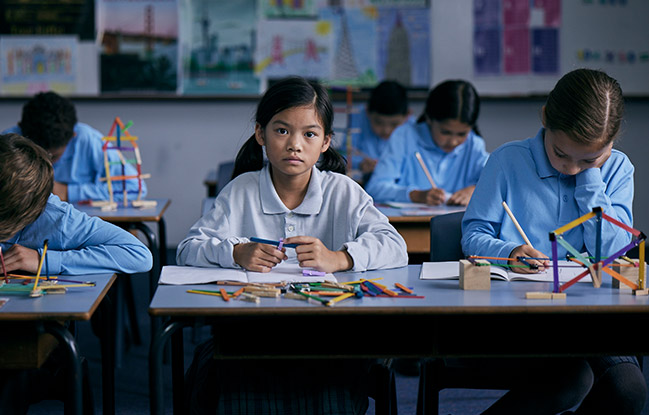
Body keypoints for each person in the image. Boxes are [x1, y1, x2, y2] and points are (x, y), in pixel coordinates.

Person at [177, 76, 408, 414]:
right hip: (251, 337)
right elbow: (188, 249)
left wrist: (340, 257)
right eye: (282, 131)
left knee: (333, 389)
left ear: (326, 142)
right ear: (261, 134)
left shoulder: (343, 191)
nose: (294, 144)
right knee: (226, 378)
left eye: (309, 134)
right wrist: (234, 252)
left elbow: (394, 245)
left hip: (328, 339)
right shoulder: (241, 191)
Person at [461, 68, 646, 414]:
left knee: (629, 389)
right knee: (569, 378)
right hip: (516, 317)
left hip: (588, 319)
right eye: (561, 154)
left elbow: (613, 252)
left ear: (612, 141)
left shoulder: (618, 170)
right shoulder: (506, 161)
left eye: (589, 159)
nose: (572, 169)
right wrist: (509, 252)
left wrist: (592, 180)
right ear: (545, 118)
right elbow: (473, 237)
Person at [0, 133, 152, 281]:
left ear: (35, 211)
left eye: (2, 233)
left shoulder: (53, 216)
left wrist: (43, 261)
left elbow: (138, 254)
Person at [2, 91, 147, 203]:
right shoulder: (8, 142)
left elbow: (135, 188)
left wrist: (68, 192)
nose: (47, 164)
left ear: (73, 136)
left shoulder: (88, 140)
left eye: (54, 157)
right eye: (38, 157)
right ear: (21, 132)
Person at [366, 79, 488, 206]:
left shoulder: (474, 144)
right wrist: (416, 195)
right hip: (410, 224)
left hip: (458, 223)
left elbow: (501, 183)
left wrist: (474, 190)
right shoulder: (404, 137)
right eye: (445, 132)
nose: (453, 141)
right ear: (429, 119)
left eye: (462, 134)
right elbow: (375, 188)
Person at [343, 80, 412, 185]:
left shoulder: (413, 127)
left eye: (394, 124)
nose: (386, 130)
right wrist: (360, 163)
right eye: (378, 122)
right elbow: (344, 153)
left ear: (407, 116)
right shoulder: (358, 117)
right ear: (367, 112)